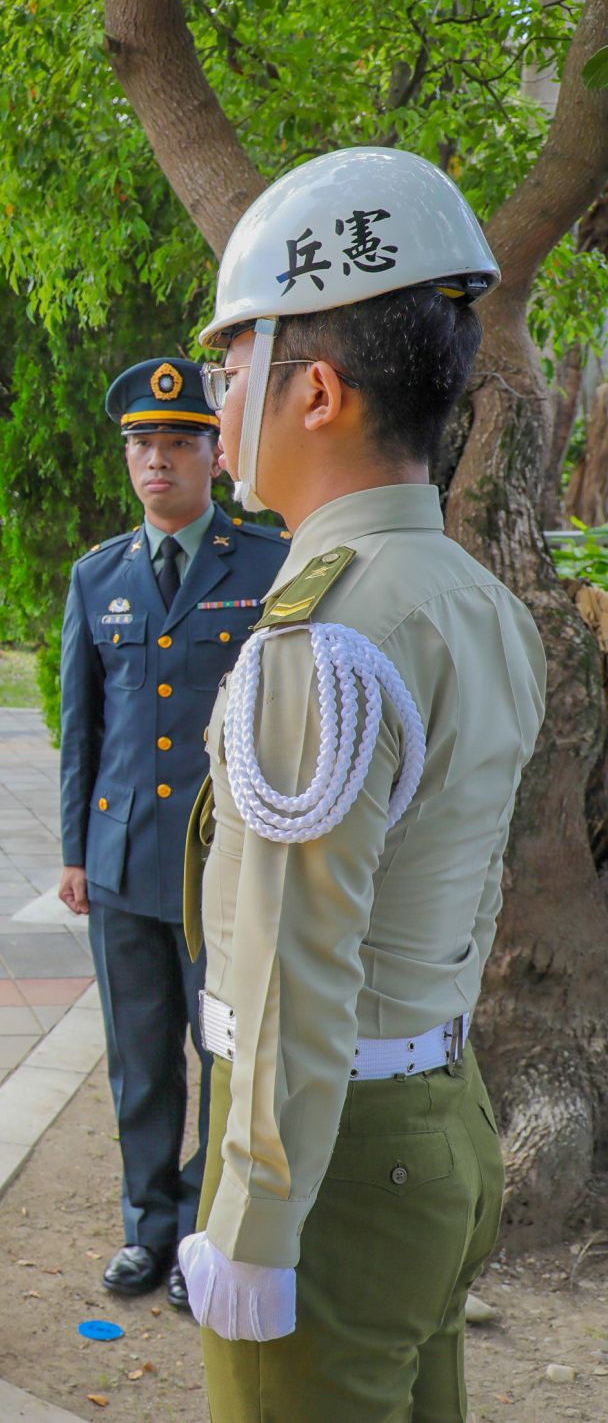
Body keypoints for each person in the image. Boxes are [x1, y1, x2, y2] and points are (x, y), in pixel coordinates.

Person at [176, 147, 545, 1419]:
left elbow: (295, 959)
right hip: (435, 1118)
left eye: (234, 368)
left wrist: (254, 1215)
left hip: (328, 1160)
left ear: (316, 391)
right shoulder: (479, 603)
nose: (218, 403)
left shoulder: (323, 639)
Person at [56, 359, 289, 1310]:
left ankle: (204, 1233)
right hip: (119, 865)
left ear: (213, 452)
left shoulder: (267, 563)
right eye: (143, 444)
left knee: (224, 1055)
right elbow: (85, 727)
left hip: (224, 871)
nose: (158, 460)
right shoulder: (98, 575)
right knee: (139, 1057)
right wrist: (74, 852)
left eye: (180, 441)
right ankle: (146, 1229)